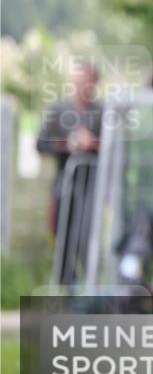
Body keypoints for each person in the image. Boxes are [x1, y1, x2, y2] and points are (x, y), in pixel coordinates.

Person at [36, 61, 103, 240]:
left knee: (87, 236)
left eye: (87, 82)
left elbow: (112, 148)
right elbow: (41, 144)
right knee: (62, 235)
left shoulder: (102, 112)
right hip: (64, 181)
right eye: (79, 81)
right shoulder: (58, 111)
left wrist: (91, 144)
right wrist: (69, 144)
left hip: (93, 185)